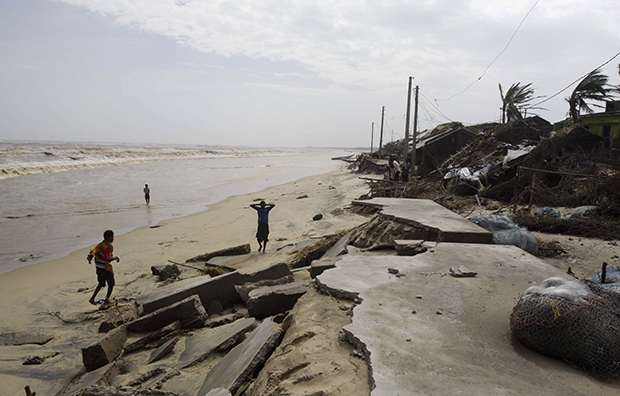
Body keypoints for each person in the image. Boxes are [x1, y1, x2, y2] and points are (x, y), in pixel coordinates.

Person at [88, 230, 120, 306]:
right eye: (112, 237)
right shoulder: (108, 246)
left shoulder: (99, 245)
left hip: (98, 268)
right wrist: (115, 258)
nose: (113, 238)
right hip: (105, 268)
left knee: (101, 283)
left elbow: (94, 254)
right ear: (108, 237)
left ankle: (92, 298)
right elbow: (108, 259)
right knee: (111, 283)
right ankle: (107, 299)